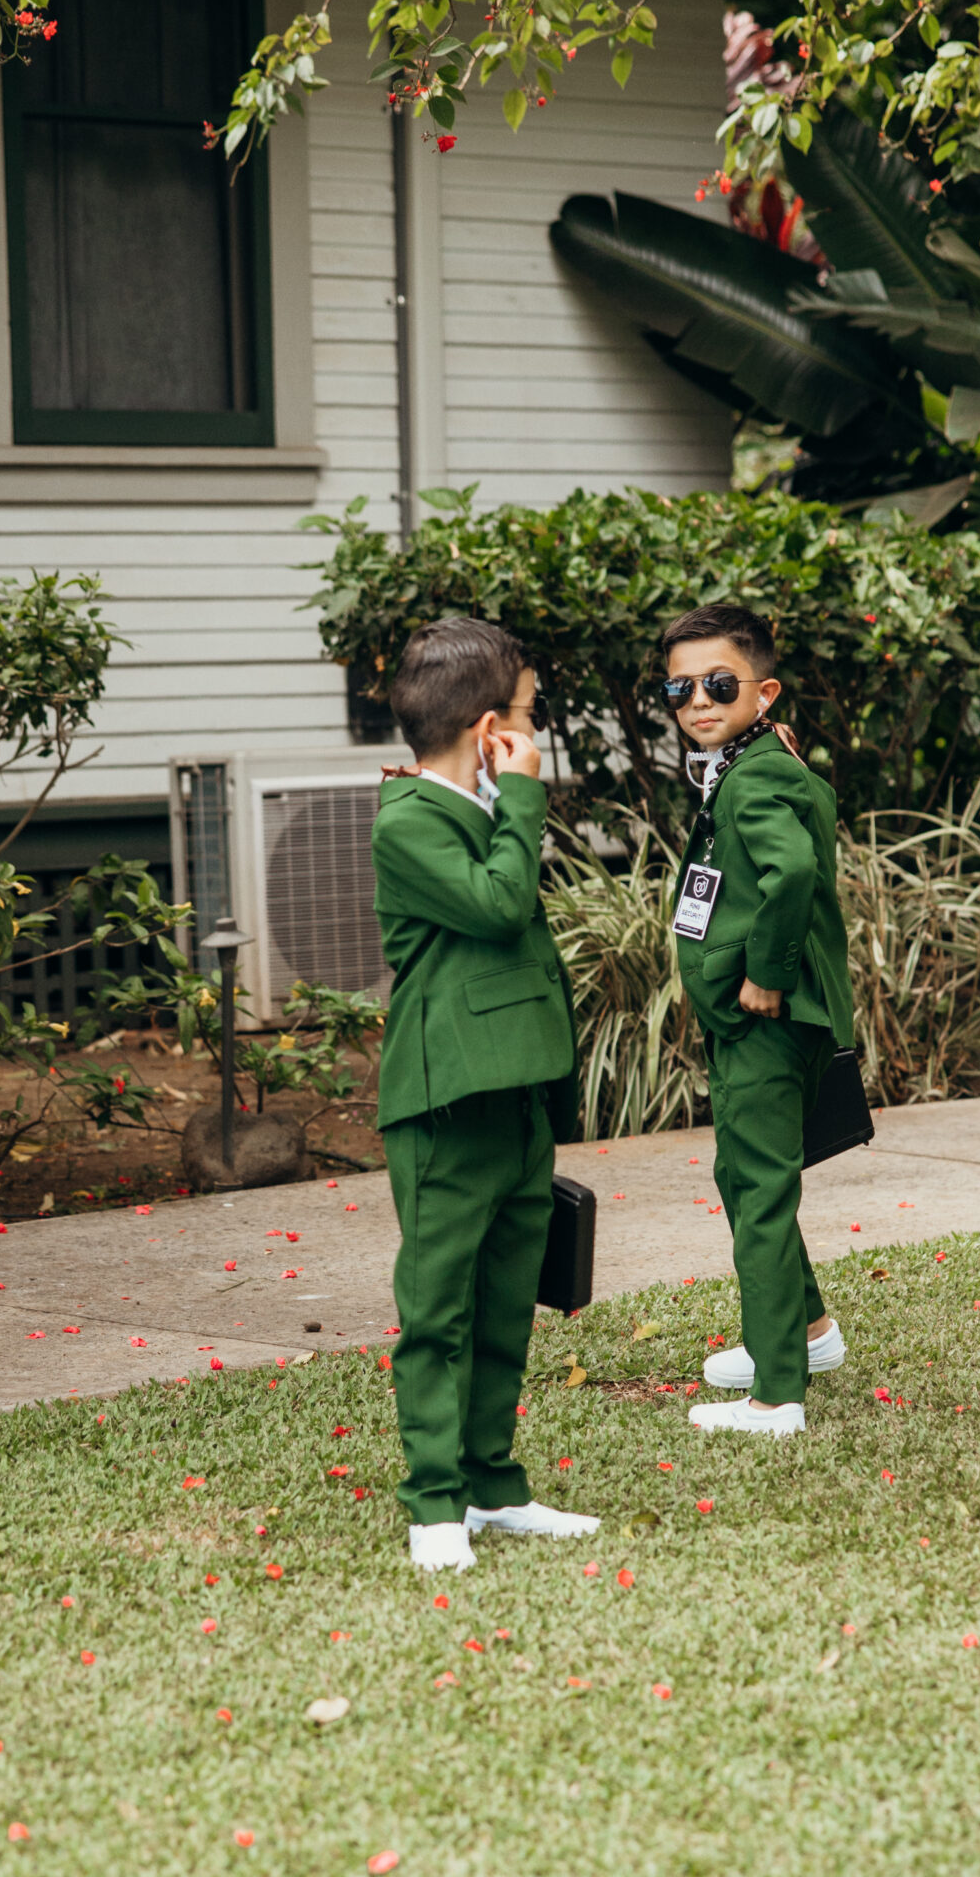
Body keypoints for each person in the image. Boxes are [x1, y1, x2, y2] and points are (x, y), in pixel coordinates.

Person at [371, 616, 599, 1571]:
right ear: (487, 726)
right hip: (445, 1105)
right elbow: (500, 907)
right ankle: (434, 1503)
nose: (536, 732)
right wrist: (521, 796)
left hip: (512, 1101)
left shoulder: (475, 812)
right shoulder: (409, 819)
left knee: (506, 1301)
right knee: (440, 1309)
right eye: (528, 714)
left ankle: (492, 1487)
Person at [662, 602, 854, 1437]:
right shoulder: (748, 763)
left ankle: (777, 1394)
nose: (696, 701)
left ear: (762, 691)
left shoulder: (758, 773)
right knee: (742, 1177)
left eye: (716, 683)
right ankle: (803, 1333)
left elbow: (793, 873)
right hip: (750, 1015)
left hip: (764, 1017)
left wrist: (765, 978)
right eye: (679, 687)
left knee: (761, 1188)